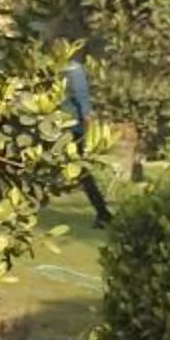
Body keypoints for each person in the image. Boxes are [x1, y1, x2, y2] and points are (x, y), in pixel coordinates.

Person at [65, 58, 112, 227]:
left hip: (70, 130)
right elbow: (85, 108)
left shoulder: (72, 70)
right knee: (82, 175)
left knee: (82, 174)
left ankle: (103, 213)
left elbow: (85, 111)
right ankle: (103, 214)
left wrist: (88, 139)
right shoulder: (71, 69)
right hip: (64, 128)